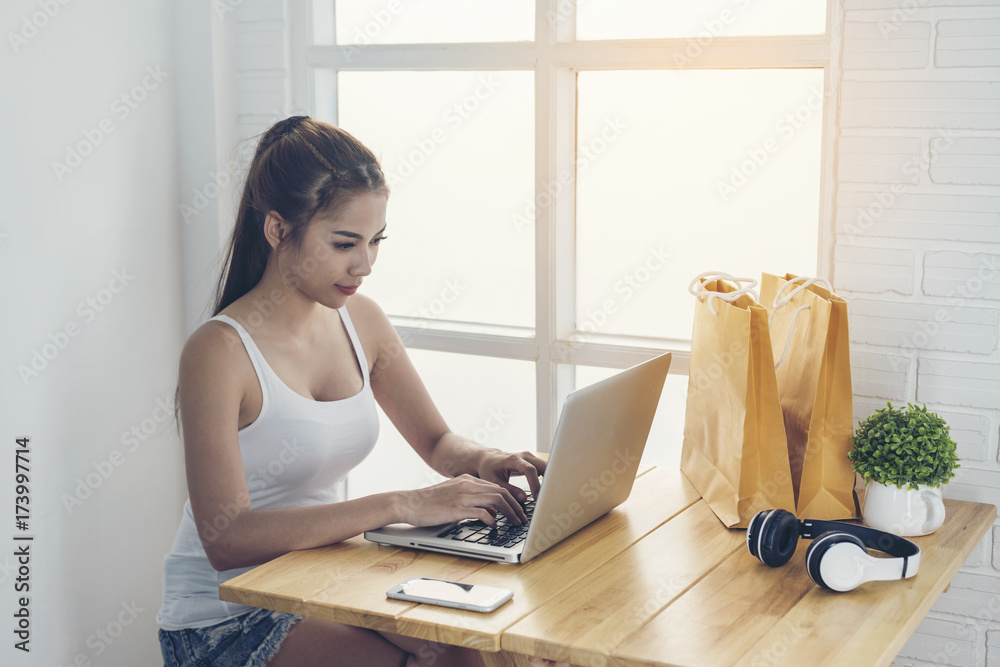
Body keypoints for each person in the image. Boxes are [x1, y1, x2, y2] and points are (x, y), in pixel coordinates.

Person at [156, 116, 547, 667]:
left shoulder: (361, 321)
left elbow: (436, 442)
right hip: (225, 615)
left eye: (375, 241)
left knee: (467, 653)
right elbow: (227, 539)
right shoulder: (218, 352)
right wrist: (402, 504)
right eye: (344, 243)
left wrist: (487, 459)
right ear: (277, 230)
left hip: (320, 580)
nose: (364, 265)